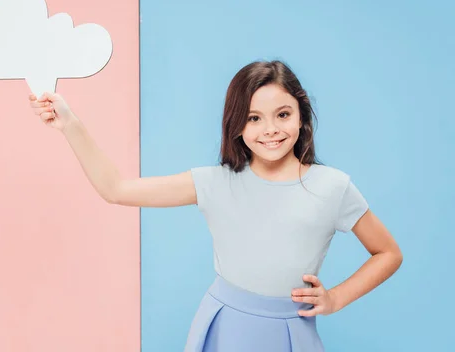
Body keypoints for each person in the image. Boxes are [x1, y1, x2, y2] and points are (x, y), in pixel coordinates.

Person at [28, 60, 403, 351]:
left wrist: (336, 297)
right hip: (224, 326)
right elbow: (116, 189)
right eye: (254, 118)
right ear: (236, 124)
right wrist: (70, 124)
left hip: (293, 330)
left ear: (301, 115)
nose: (270, 129)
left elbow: (387, 252)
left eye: (282, 114)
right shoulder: (215, 182)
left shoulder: (333, 186)